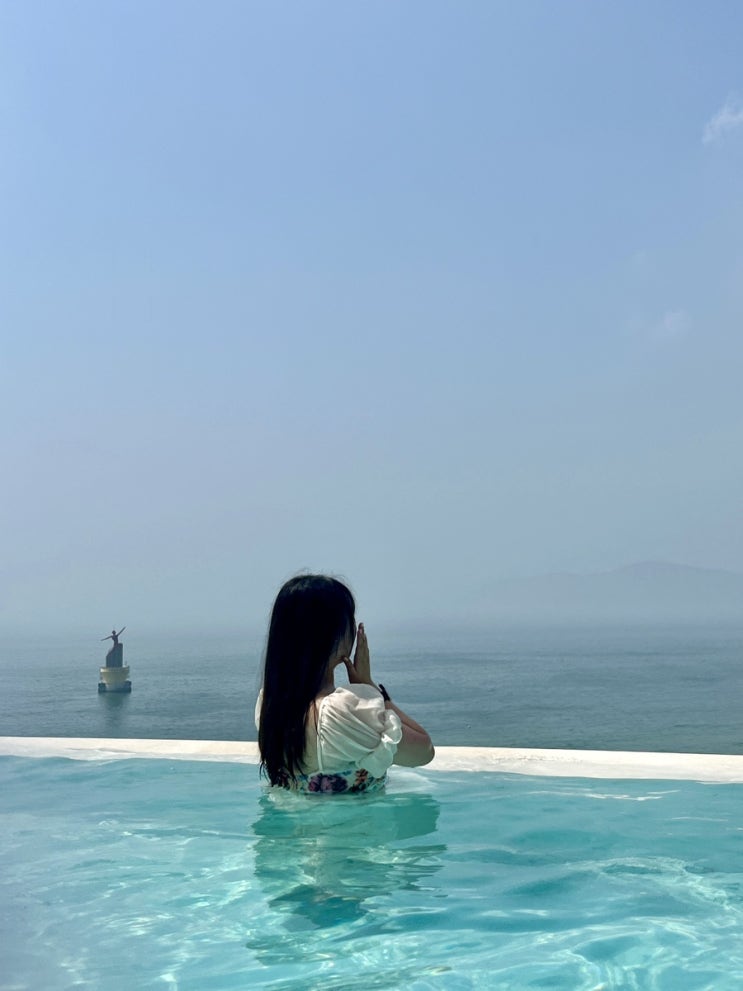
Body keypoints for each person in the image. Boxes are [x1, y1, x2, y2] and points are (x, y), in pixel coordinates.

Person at [256, 575, 434, 793]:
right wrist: (370, 688)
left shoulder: (268, 705)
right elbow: (424, 751)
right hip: (356, 816)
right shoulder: (341, 712)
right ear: (333, 635)